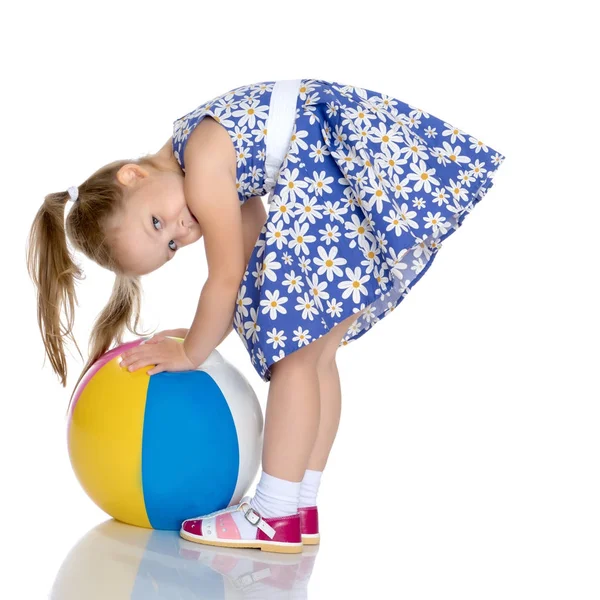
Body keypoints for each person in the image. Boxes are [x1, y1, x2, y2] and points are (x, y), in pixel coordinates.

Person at [26, 77, 506, 554]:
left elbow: (226, 278)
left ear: (133, 175)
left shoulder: (204, 160)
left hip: (340, 173)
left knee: (294, 357)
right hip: (345, 174)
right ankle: (299, 505)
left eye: (158, 222)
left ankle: (274, 513)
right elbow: (251, 277)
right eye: (170, 245)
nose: (179, 232)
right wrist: (201, 336)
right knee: (314, 356)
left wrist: (193, 351)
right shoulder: (203, 149)